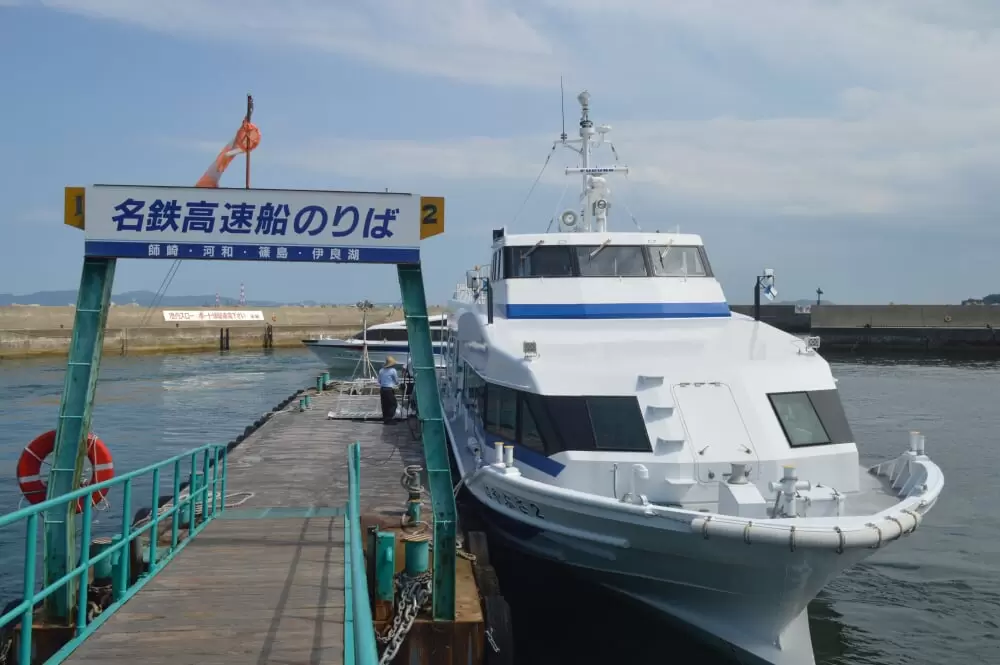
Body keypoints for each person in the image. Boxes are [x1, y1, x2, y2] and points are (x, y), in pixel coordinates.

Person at [378, 356, 400, 423]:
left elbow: (379, 381)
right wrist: (398, 383)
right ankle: (389, 418)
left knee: (384, 405)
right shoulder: (393, 371)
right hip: (389, 389)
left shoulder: (381, 370)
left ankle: (385, 418)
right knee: (393, 404)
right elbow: (396, 381)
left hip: (382, 389)